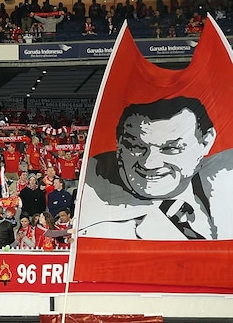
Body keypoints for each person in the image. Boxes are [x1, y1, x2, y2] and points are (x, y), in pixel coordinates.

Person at [78, 97, 233, 240]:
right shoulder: (92, 201)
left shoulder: (225, 173)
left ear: (206, 142)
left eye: (171, 148)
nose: (148, 163)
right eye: (136, 147)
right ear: (119, 144)